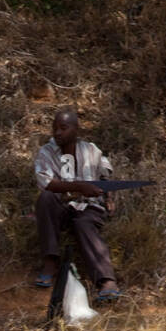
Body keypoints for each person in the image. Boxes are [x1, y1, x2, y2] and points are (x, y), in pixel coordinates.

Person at [33, 107, 122, 303]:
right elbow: (46, 183)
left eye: (63, 128)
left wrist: (108, 198)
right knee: (46, 197)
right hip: (61, 208)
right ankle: (50, 262)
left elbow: (105, 177)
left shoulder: (91, 150)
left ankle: (107, 282)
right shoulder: (46, 152)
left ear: (76, 130)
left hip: (89, 207)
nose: (57, 132)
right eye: (55, 128)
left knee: (84, 224)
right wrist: (80, 187)